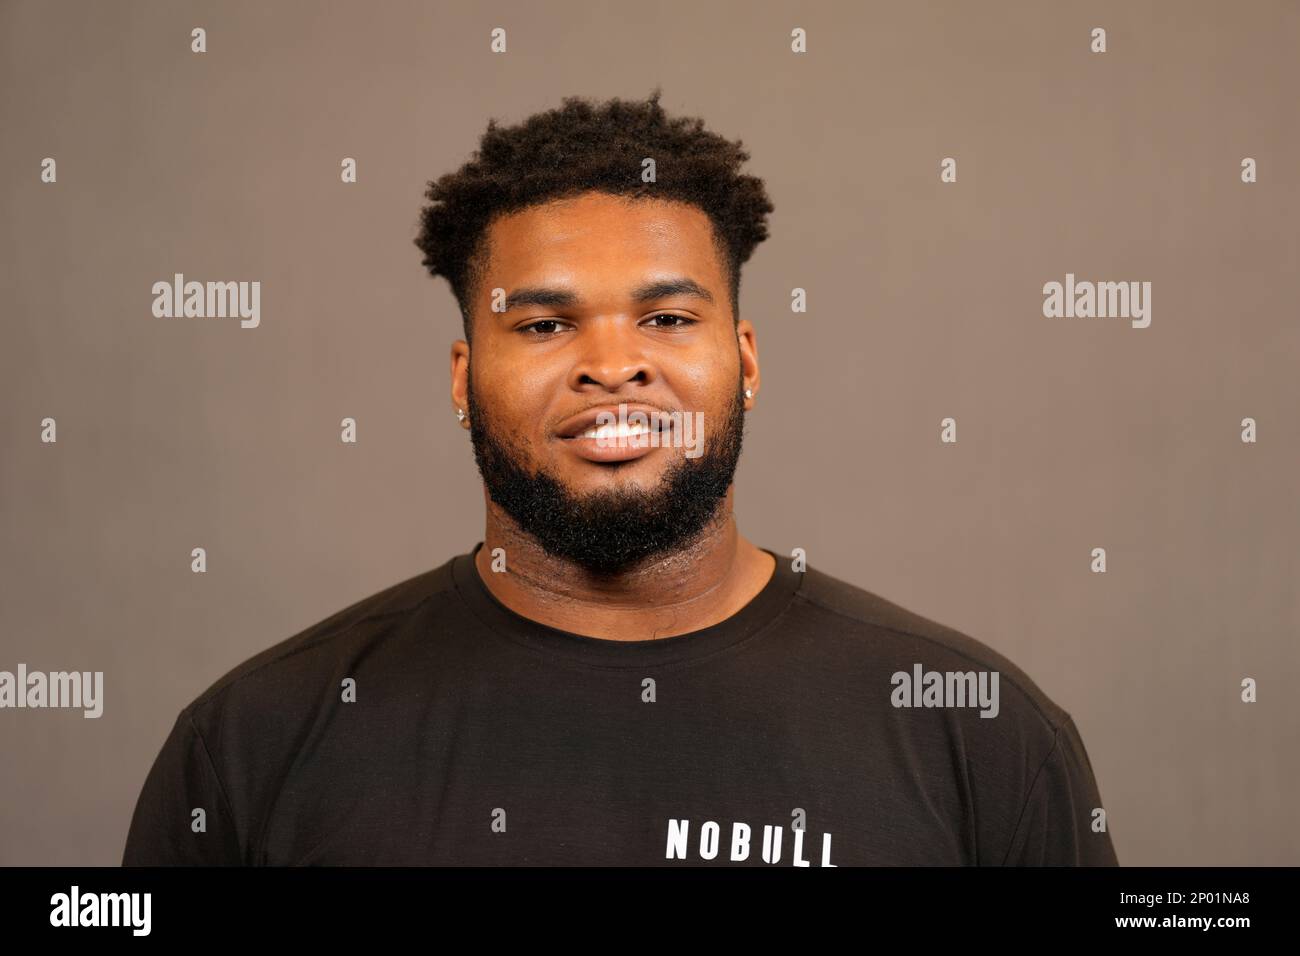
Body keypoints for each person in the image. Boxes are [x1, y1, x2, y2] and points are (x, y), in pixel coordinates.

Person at [123, 90, 1118, 866]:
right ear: (465, 378)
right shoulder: (258, 741)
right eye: (545, 324)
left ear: (748, 359)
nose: (612, 363)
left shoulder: (971, 728)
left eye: (668, 318)